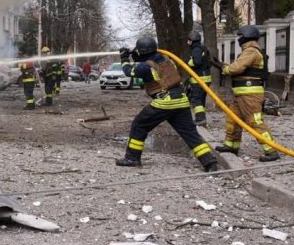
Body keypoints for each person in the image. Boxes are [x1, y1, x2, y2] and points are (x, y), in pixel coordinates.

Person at [115, 36, 218, 172]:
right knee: (190, 133)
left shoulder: (145, 67)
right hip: (181, 101)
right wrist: (134, 55)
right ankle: (209, 162)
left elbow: (129, 71)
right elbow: (150, 60)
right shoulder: (166, 60)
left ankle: (132, 158)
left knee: (139, 125)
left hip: (165, 102)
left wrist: (124, 59)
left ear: (141, 51)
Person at [212, 25, 280, 162]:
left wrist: (224, 69)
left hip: (250, 95)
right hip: (241, 94)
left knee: (255, 121)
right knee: (233, 120)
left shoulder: (251, 51)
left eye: (240, 36)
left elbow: (236, 68)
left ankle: (272, 150)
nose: (239, 39)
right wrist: (222, 65)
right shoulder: (248, 51)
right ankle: (231, 146)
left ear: (247, 37)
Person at [185, 31, 212, 126]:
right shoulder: (203, 48)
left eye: (188, 41)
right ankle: (202, 118)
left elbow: (197, 62)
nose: (187, 43)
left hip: (199, 79)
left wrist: (188, 62)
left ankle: (200, 119)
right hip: (205, 78)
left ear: (192, 41)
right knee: (201, 100)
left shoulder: (196, 49)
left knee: (196, 99)